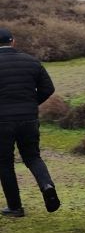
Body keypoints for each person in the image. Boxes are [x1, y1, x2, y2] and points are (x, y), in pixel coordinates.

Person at [0, 28, 60, 217]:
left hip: (2, 121)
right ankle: (47, 185)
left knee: (4, 163)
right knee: (33, 157)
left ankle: (15, 207)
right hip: (29, 119)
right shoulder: (32, 61)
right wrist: (31, 104)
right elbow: (48, 88)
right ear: (13, 41)